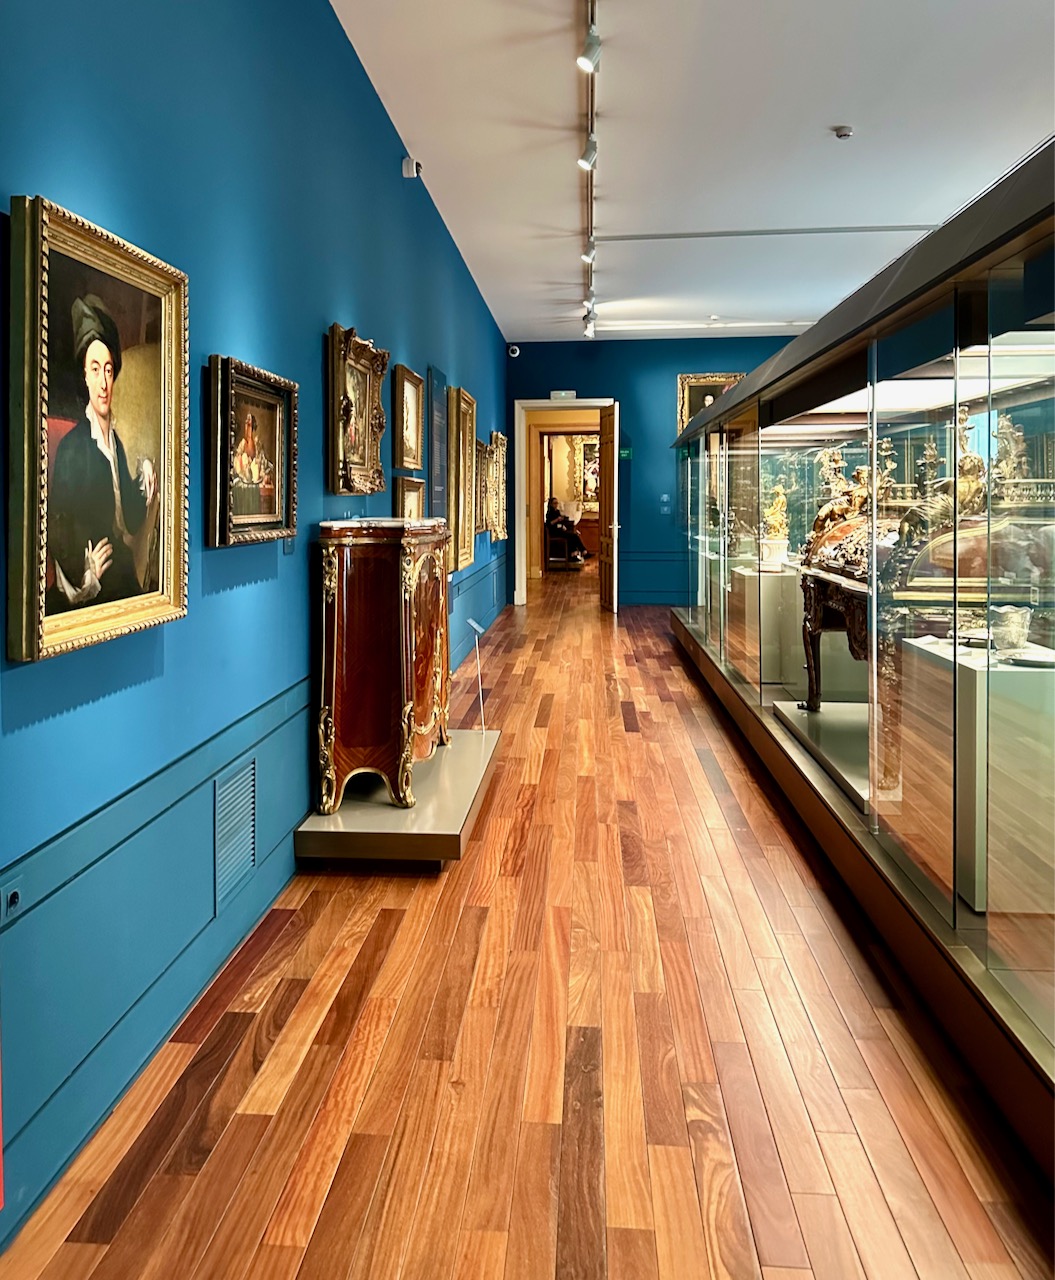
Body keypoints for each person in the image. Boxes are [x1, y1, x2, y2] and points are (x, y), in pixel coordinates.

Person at [48, 294, 160, 610]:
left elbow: (131, 519)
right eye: (95, 369)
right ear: (84, 376)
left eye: (108, 370)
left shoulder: (115, 444)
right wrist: (86, 571)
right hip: (90, 587)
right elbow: (57, 525)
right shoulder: (73, 446)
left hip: (119, 570)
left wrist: (144, 478)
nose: (103, 383)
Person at [546, 496, 589, 562]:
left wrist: (562, 521)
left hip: (560, 530)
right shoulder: (549, 513)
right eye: (555, 503)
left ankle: (579, 553)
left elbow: (560, 522)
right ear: (551, 504)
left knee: (573, 536)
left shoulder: (557, 511)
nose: (556, 505)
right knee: (572, 536)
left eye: (557, 503)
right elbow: (549, 523)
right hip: (554, 532)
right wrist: (557, 519)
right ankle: (581, 552)